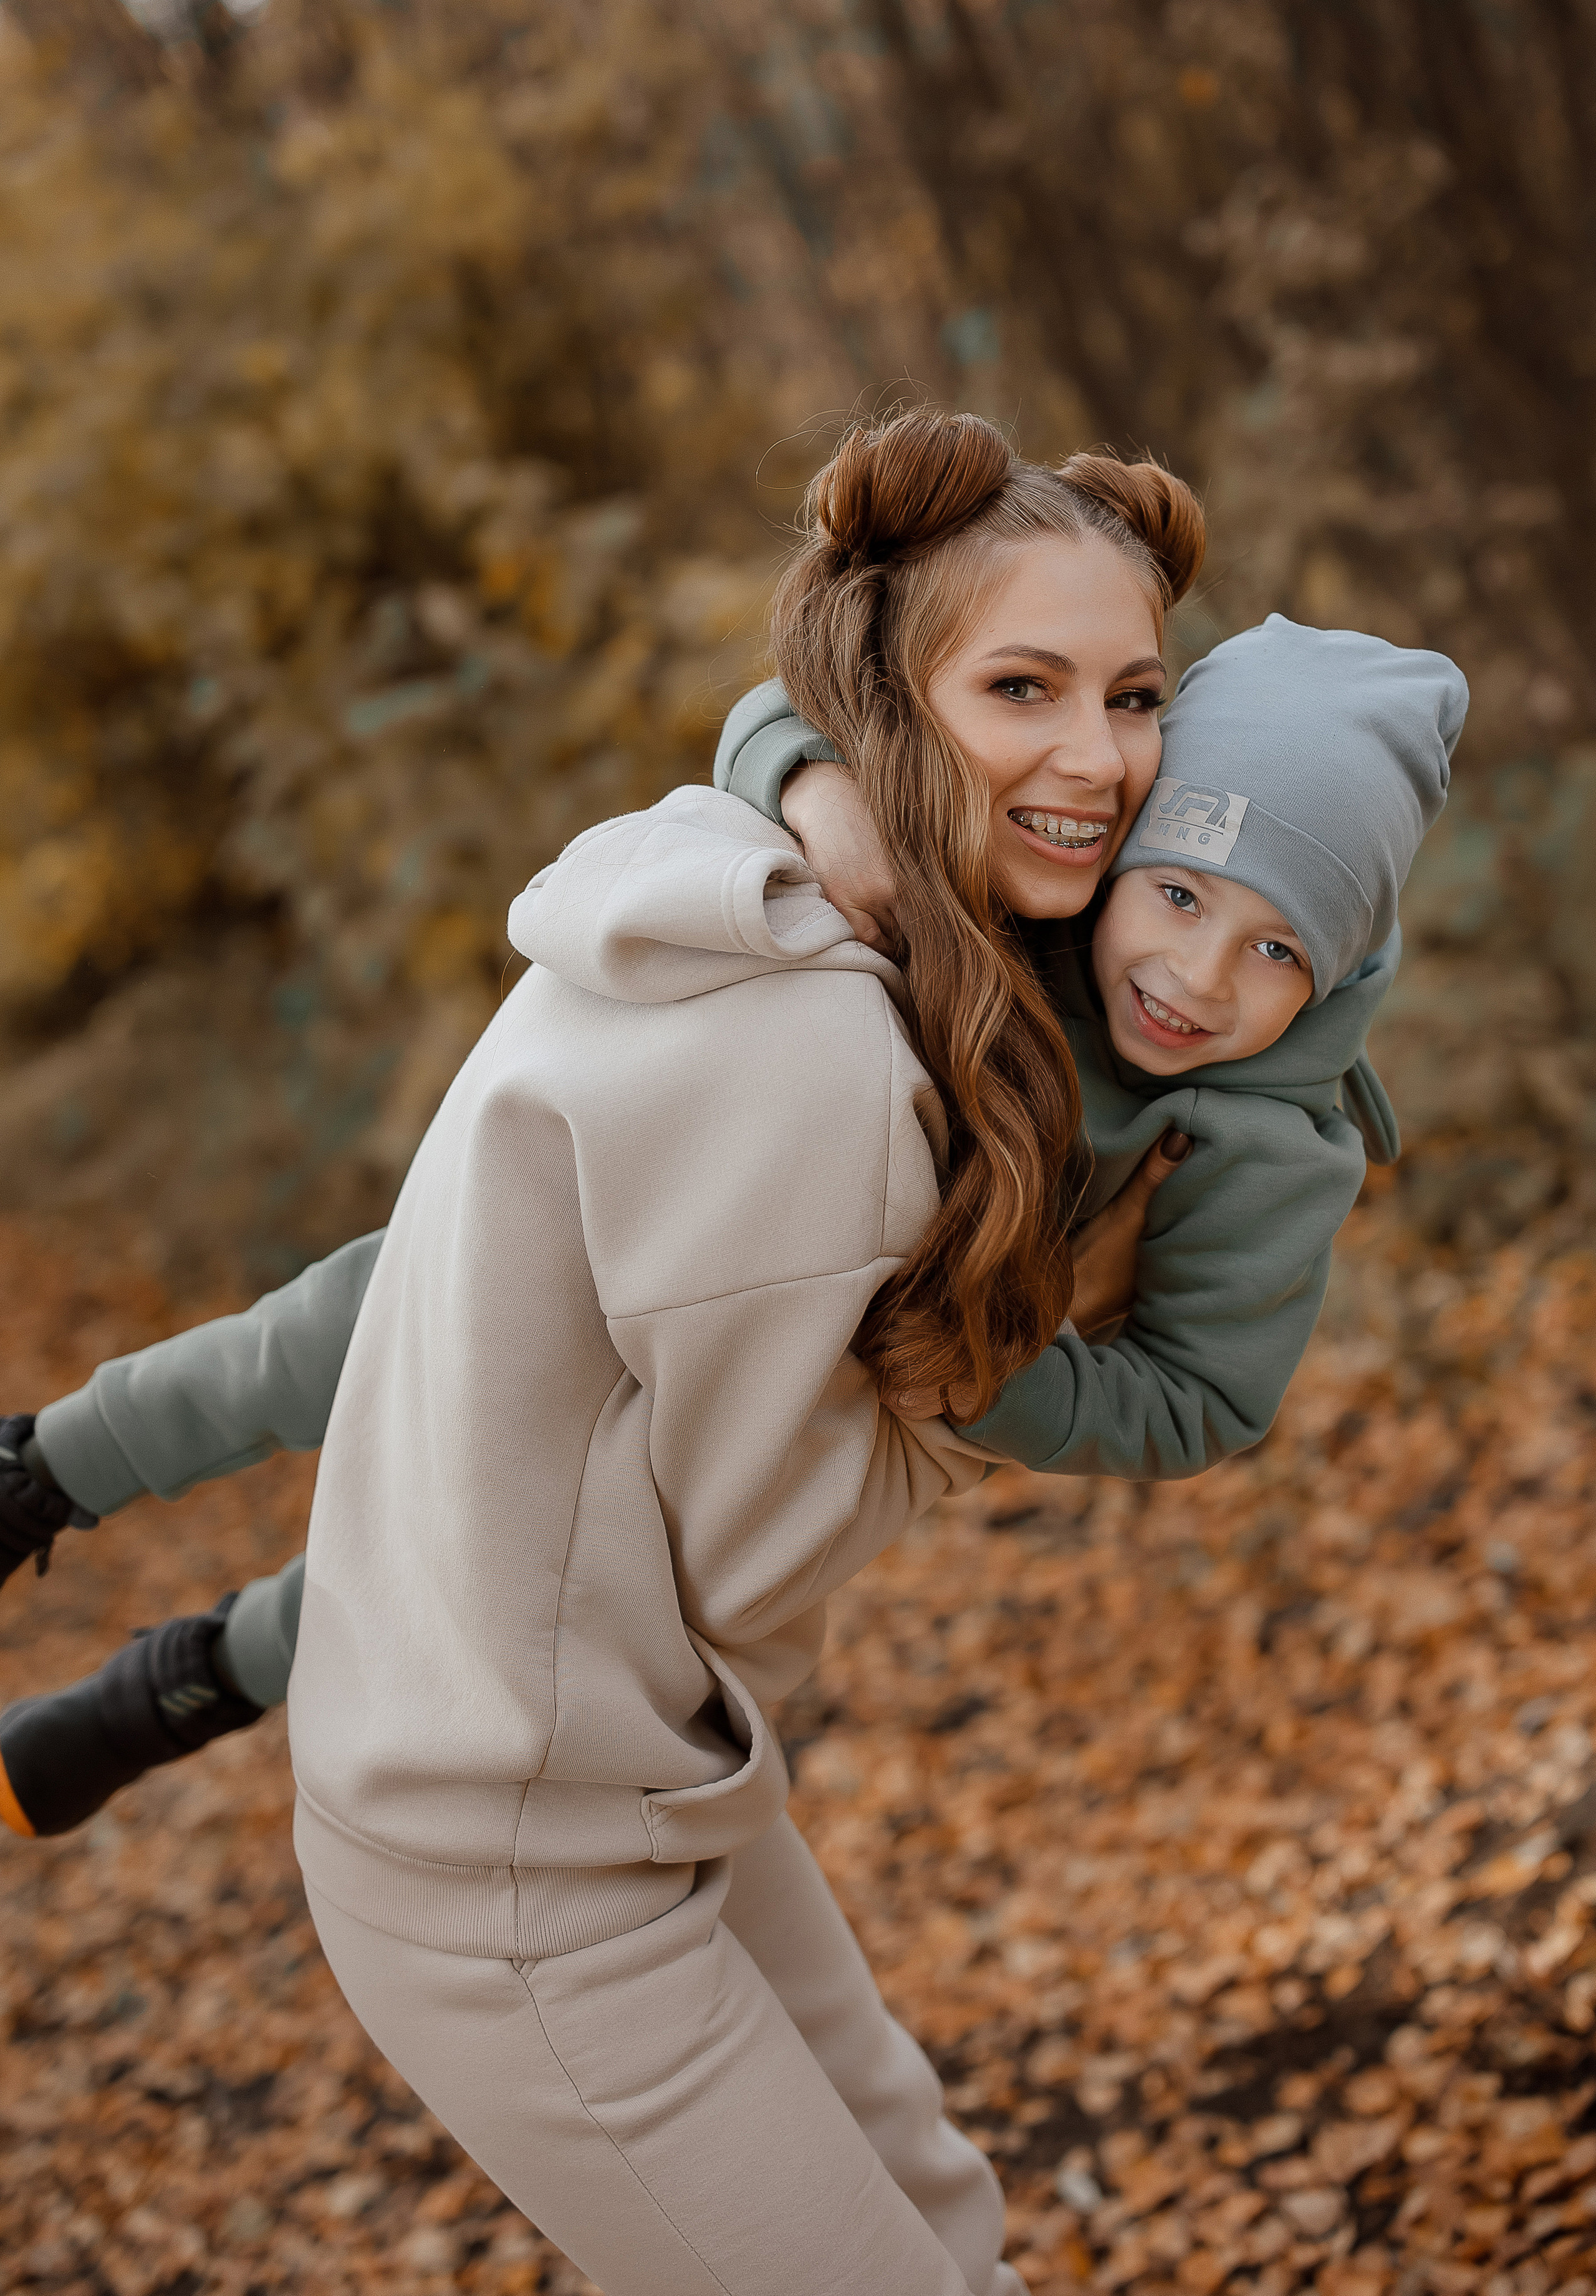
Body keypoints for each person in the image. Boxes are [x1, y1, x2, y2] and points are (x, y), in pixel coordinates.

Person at [3, 408, 1218, 2296]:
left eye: (1139, 696)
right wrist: (1027, 1323)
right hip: (525, 1872)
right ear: (888, 694)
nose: (1103, 758)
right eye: (1026, 686)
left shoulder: (706, 873)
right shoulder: (819, 1074)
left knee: (947, 2240)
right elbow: (744, 1573)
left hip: (628, 1782)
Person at [0, 516, 1467, 1846]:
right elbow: (802, 704)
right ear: (1127, 841)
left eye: (1279, 952)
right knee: (373, 1311)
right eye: (1180, 896)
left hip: (828, 1374)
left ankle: (192, 1681)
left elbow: (1203, 1397)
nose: (1195, 977)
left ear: (1336, 970)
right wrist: (817, 790)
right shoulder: (1039, 879)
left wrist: (989, 1382)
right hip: (687, 1202)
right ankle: (55, 1467)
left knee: (529, 1544)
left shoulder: (1269, 1144)